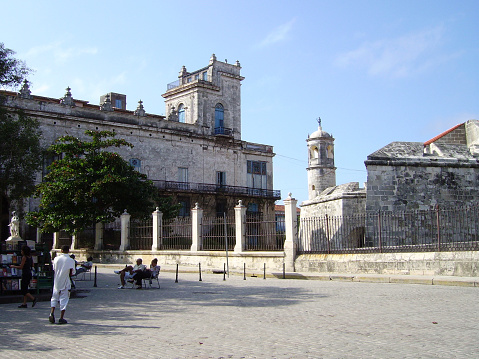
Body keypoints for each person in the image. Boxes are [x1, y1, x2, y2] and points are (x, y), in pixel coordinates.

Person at [49, 245, 76, 324]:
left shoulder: (56, 259)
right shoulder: (71, 260)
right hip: (65, 281)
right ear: (68, 251)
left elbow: (54, 269)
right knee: (64, 299)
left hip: (57, 280)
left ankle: (52, 312)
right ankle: (61, 317)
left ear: (61, 250)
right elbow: (72, 272)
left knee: (54, 297)